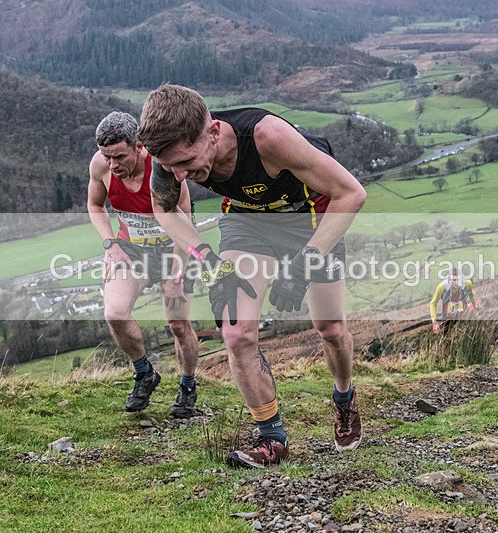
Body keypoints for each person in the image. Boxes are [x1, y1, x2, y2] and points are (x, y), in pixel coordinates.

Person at [138, 84, 367, 468]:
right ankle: (271, 437)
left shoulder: (267, 137)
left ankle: (344, 397)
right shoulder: (170, 157)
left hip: (311, 218)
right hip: (248, 222)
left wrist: (306, 263)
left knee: (329, 328)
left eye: (187, 162)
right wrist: (208, 259)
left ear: (213, 132)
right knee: (236, 332)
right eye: (169, 165)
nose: (178, 175)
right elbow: (164, 208)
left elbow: (352, 194)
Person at [87, 111, 200, 417]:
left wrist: (176, 275)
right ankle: (144, 373)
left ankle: (187, 385)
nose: (113, 164)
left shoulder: (163, 169)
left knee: (178, 326)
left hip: (172, 249)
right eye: (107, 156)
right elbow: (95, 205)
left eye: (119, 156)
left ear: (138, 146)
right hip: (131, 250)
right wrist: (109, 243)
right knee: (114, 313)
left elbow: (185, 227)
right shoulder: (101, 166)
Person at [429, 269, 480, 334]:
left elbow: (472, 295)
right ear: (449, 279)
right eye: (454, 280)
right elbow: (433, 303)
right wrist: (434, 321)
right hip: (448, 314)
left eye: (459, 279)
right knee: (447, 334)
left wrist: (475, 307)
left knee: (467, 332)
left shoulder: (467, 283)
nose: (457, 282)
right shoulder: (442, 286)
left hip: (463, 313)